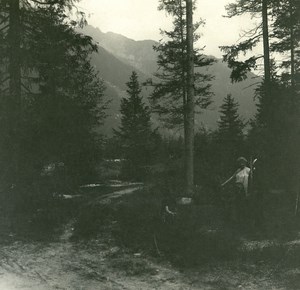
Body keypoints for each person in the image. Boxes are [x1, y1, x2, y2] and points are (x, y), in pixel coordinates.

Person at [221, 157, 251, 224]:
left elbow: (250, 180)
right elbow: (232, 178)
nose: (242, 164)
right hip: (237, 188)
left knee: (244, 203)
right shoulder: (238, 170)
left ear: (245, 163)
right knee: (236, 204)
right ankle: (236, 219)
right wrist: (224, 184)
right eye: (240, 162)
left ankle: (245, 219)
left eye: (243, 162)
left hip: (244, 188)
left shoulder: (248, 170)